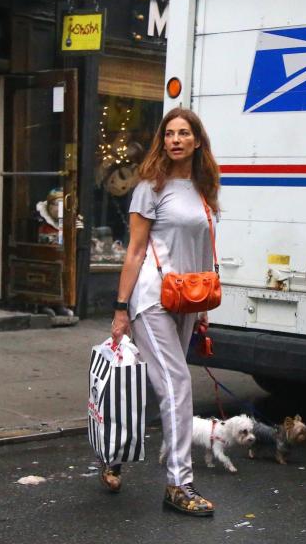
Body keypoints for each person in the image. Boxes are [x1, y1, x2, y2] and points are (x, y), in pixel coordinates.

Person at [105, 107, 221, 517]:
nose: (175, 139)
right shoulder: (149, 188)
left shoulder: (204, 187)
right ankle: (179, 484)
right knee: (177, 383)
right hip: (151, 298)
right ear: (163, 140)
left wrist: (204, 307)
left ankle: (113, 450)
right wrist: (121, 308)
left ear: (196, 141)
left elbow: (203, 249)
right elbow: (135, 251)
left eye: (183, 133)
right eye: (169, 133)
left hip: (188, 298)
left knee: (161, 391)